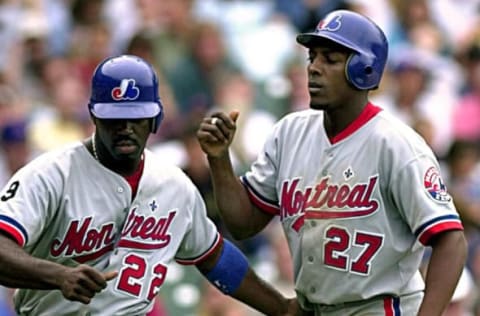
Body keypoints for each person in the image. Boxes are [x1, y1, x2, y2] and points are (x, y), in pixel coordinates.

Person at [197, 9, 467, 316]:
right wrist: (219, 160)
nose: (314, 68)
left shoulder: (396, 144)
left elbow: (451, 240)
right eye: (313, 57)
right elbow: (243, 224)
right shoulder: (289, 133)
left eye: (330, 59)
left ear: (364, 69)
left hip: (380, 308)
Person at [0, 54, 303, 316]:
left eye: (136, 117)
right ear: (94, 115)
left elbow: (215, 257)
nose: (125, 128)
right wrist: (58, 275)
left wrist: (281, 308)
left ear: (156, 119)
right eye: (114, 118)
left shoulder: (173, 185)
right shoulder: (50, 174)